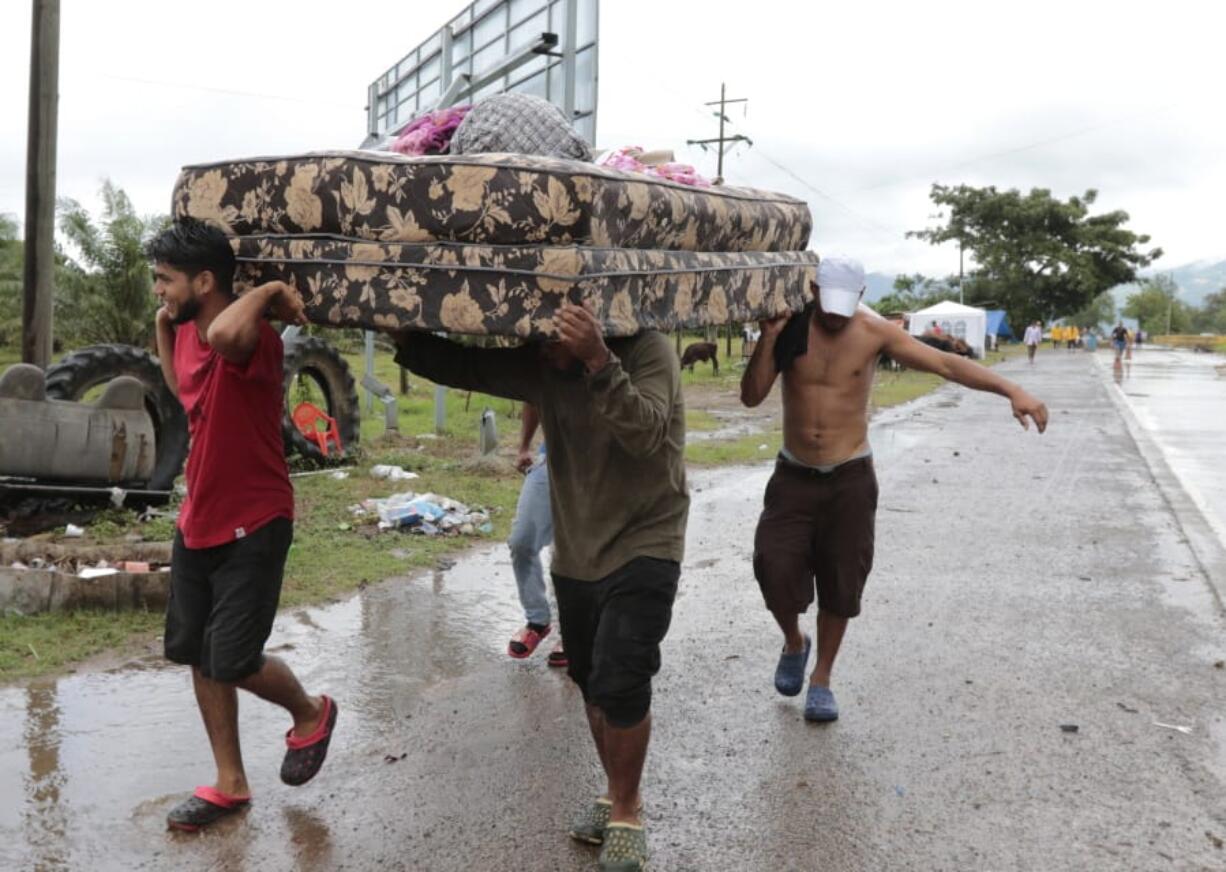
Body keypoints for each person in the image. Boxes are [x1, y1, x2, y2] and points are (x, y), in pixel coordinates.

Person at [393, 305, 688, 872]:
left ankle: (627, 809)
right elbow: (467, 367)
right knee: (592, 681)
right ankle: (613, 790)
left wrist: (599, 362)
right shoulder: (541, 364)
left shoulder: (648, 350)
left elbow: (649, 433)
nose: (540, 350)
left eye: (552, 340)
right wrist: (403, 329)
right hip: (579, 545)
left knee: (623, 677)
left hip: (647, 536)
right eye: (534, 338)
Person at [741, 257, 1048, 723]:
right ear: (812, 287)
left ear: (861, 296)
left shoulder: (875, 332)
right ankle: (793, 641)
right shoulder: (790, 326)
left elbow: (946, 363)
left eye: (846, 306)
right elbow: (751, 395)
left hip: (849, 477)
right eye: (827, 304)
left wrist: (1011, 390)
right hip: (794, 475)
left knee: (842, 580)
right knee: (772, 567)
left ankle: (821, 678)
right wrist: (767, 337)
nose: (836, 316)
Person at [149, 218, 338, 832]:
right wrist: (163, 323)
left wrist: (268, 293)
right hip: (197, 519)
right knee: (196, 655)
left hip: (255, 521)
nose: (159, 292)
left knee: (230, 657)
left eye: (166, 281)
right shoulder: (182, 329)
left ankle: (311, 712)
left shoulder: (256, 338)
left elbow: (229, 330)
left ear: (206, 281)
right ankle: (230, 782)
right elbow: (184, 390)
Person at [507, 402, 566, 667]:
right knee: (521, 541)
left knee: (573, 551)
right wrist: (524, 447)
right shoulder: (548, 362)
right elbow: (534, 398)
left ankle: (574, 632)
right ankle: (538, 620)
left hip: (598, 466)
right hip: (550, 459)